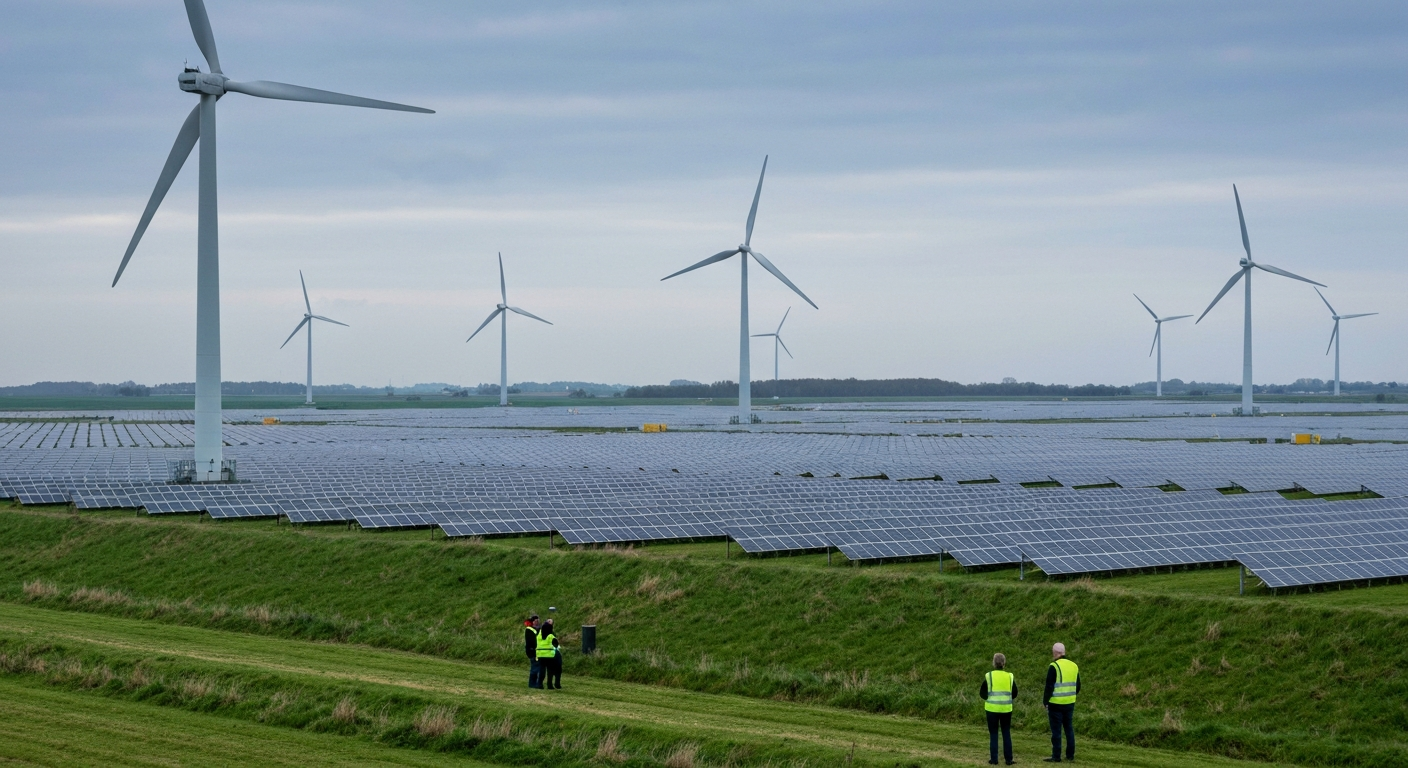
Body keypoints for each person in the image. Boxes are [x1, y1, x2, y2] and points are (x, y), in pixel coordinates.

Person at [1043, 642, 1080, 763]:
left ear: (1055, 653)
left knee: (1056, 731)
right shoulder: (1074, 666)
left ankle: (1056, 756)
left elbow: (1049, 686)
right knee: (1069, 729)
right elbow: (1078, 685)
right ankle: (1070, 755)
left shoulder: (1054, 666)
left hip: (1056, 703)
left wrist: (1045, 701)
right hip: (1069, 703)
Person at [980, 652, 1017, 765]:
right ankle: (1009, 759)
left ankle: (994, 759)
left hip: (992, 709)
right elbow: (1015, 693)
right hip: (1006, 708)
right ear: (1004, 664)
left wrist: (989, 698)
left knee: (994, 734)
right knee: (1006, 733)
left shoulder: (989, 676)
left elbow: (982, 693)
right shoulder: (1009, 676)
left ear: (993, 663)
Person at [536, 618, 561, 689]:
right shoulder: (551, 636)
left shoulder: (539, 635)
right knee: (550, 671)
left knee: (542, 670)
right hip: (549, 655)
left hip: (540, 654)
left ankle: (539, 684)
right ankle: (549, 685)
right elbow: (556, 644)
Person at [543, 619, 563, 689]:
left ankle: (553, 684)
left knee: (553, 669)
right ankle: (553, 684)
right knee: (553, 669)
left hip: (551, 651)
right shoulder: (548, 633)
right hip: (551, 652)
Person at [524, 614, 543, 689]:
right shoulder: (530, 629)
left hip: (537, 651)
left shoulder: (538, 629)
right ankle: (532, 683)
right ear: (533, 622)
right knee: (535, 668)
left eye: (538, 620)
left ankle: (534, 683)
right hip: (532, 651)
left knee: (537, 667)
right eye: (536, 621)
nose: (537, 622)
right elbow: (532, 641)